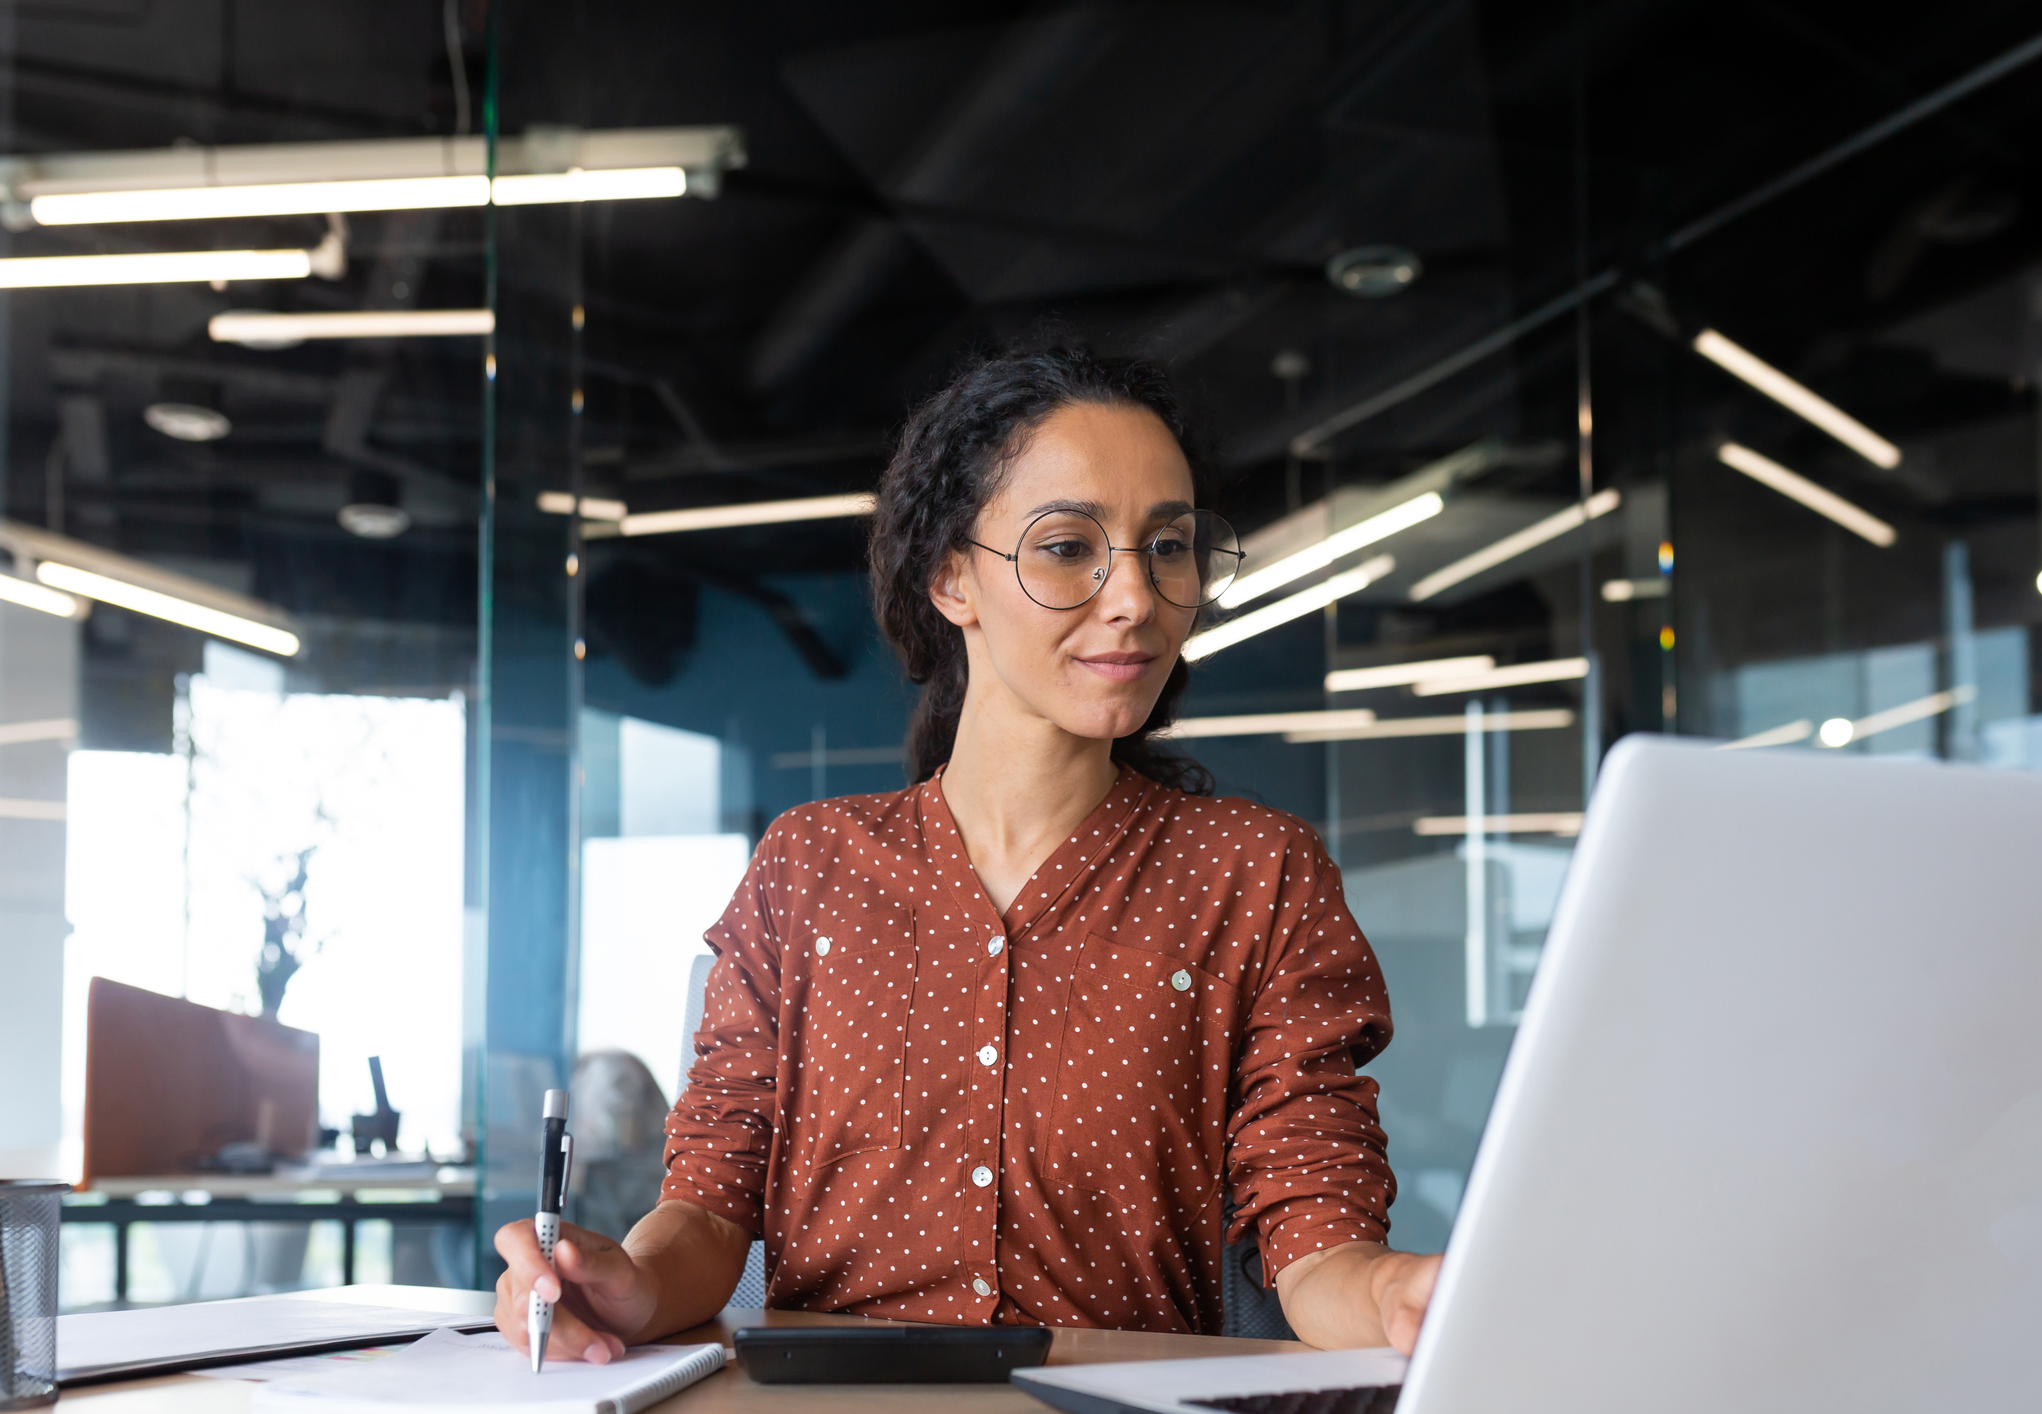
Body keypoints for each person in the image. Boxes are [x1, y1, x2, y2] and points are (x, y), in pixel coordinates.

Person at [494, 345, 1439, 1361]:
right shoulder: (809, 869)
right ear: (953, 577)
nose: (1136, 597)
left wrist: (1399, 1293)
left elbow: (1318, 1234)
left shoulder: (1254, 876)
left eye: (1167, 547)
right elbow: (711, 1212)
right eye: (1070, 545)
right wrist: (626, 1284)